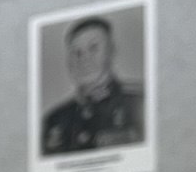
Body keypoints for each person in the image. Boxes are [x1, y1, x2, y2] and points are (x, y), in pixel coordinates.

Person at [41, 16, 145, 155]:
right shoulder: (55, 120)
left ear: (111, 51)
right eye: (76, 52)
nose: (84, 59)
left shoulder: (139, 102)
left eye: (93, 48)